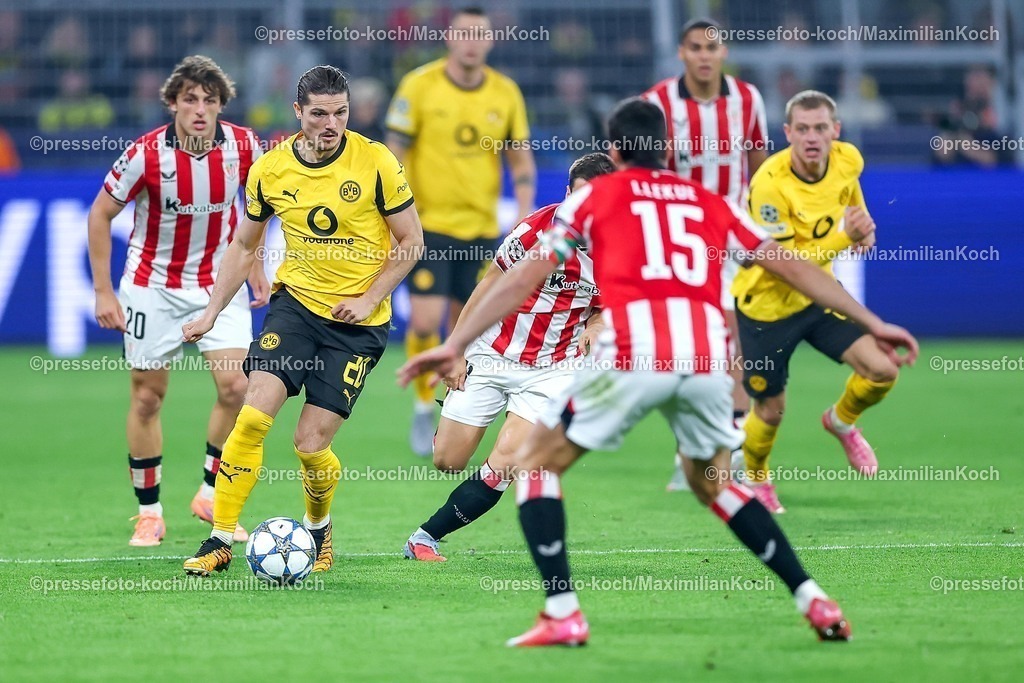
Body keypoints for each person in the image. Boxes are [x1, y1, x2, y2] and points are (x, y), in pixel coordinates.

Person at [399, 98, 918, 646]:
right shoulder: (705, 200)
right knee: (716, 486)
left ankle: (562, 613)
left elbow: (521, 276)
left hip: (635, 352)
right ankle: (814, 600)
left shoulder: (595, 199)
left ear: (616, 149)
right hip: (704, 359)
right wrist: (873, 322)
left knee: (534, 466)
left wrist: (453, 343)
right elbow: (789, 263)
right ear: (666, 150)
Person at [181, 65, 423, 576]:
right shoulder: (271, 169)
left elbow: (411, 242)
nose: (331, 124)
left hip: (357, 325)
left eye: (340, 113)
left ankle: (318, 528)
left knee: (310, 445)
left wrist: (369, 298)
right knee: (252, 416)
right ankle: (220, 539)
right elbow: (244, 244)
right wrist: (212, 311)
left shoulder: (377, 161)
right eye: (319, 114)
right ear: (297, 112)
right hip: (295, 307)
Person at [87, 55, 266, 547]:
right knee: (148, 397)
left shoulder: (245, 146)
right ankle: (149, 512)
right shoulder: (144, 155)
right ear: (172, 104)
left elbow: (261, 206)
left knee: (237, 387)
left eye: (210, 100)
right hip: (153, 287)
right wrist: (103, 290)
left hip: (218, 284)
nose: (200, 109)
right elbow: (100, 215)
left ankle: (210, 493)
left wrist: (255, 264)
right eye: (190, 99)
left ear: (222, 105)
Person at [404, 153, 613, 562]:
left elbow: (606, 310)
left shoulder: (621, 249)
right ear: (567, 194)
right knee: (448, 460)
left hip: (552, 367)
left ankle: (425, 537)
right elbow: (489, 286)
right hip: (493, 352)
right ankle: (452, 427)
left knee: (509, 460)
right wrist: (456, 348)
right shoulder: (535, 230)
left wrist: (595, 327)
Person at [732, 90, 900, 514]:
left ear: (835, 130)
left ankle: (841, 421)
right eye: (803, 129)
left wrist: (863, 224)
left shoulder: (849, 159)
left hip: (818, 299)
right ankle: (756, 477)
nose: (812, 137)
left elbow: (849, 192)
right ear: (787, 132)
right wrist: (846, 236)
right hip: (767, 305)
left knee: (882, 370)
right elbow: (789, 266)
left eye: (820, 128)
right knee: (770, 411)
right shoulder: (769, 185)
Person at [385, 5, 536, 457]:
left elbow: (520, 159)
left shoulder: (505, 92)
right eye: (464, 34)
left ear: (490, 41)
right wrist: (394, 212)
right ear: (450, 39)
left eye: (479, 35)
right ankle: (421, 408)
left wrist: (524, 214)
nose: (472, 43)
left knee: (463, 325)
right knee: (425, 320)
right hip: (428, 225)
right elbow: (394, 151)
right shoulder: (419, 85)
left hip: (482, 228)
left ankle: (451, 405)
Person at [643, 18, 769, 492]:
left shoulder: (747, 99)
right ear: (681, 52)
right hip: (677, 240)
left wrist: (758, 225)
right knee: (685, 347)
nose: (703, 55)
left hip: (730, 235)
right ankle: (691, 450)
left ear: (723, 52)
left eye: (711, 47)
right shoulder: (658, 103)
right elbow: (645, 170)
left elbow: (758, 164)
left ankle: (731, 449)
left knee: (732, 337)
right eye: (694, 47)